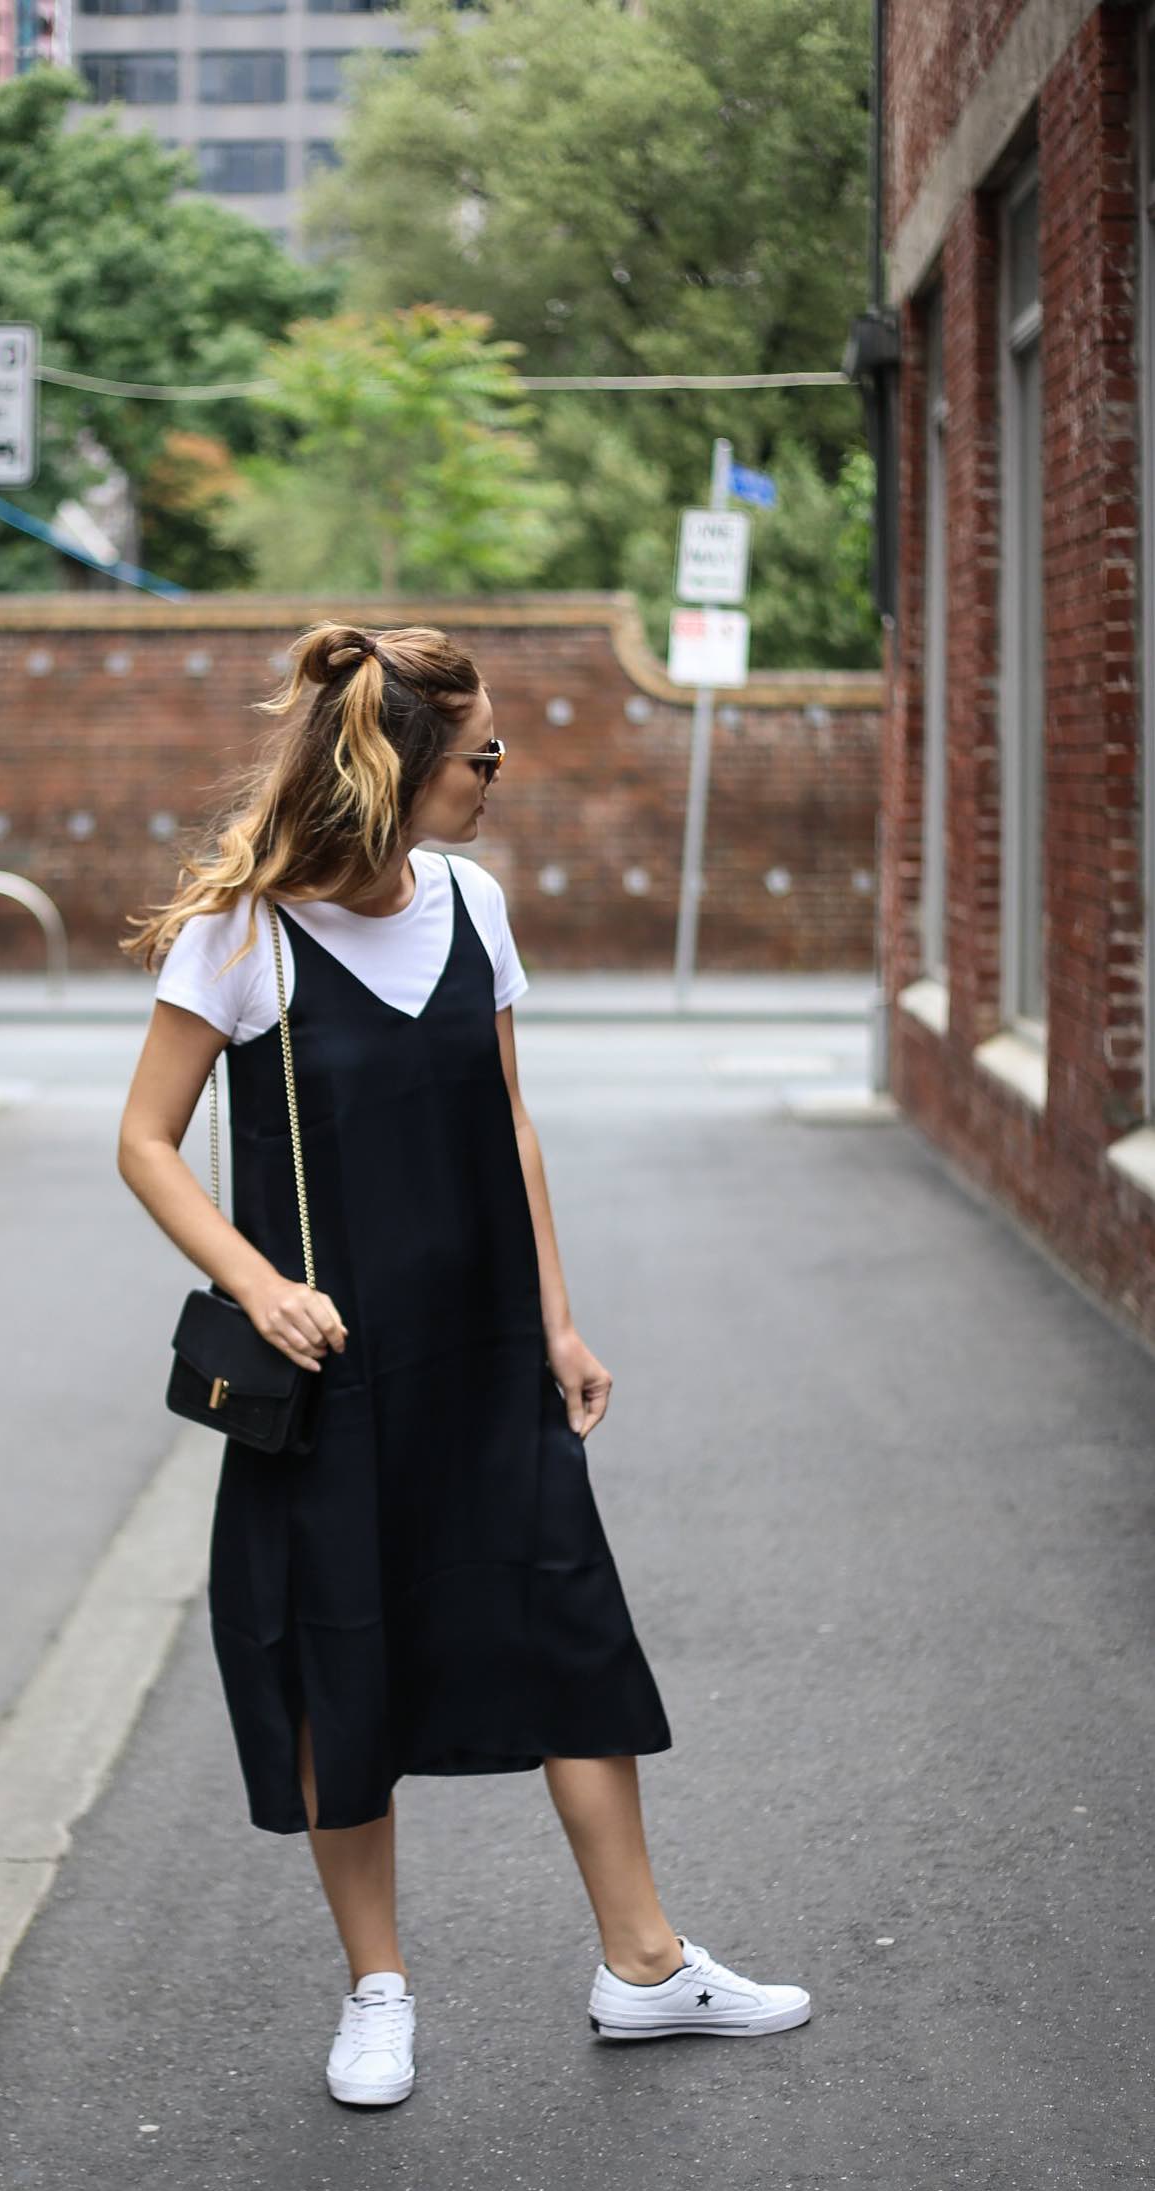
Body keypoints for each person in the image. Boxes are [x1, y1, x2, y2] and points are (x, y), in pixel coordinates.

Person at [117, 620, 811, 2108]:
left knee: (567, 1629)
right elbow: (145, 1143)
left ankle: (642, 1964)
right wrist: (258, 1282)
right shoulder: (240, 934)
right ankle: (377, 1993)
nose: (499, 775)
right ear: (401, 766)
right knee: (339, 1663)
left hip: (487, 1356)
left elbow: (509, 1123)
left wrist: (554, 1321)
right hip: (338, 1369)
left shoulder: (472, 906)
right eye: (481, 755)